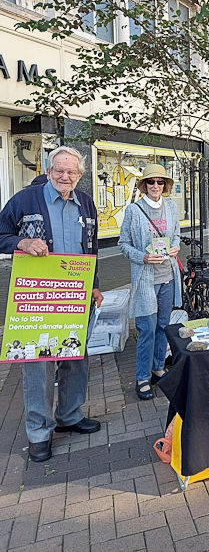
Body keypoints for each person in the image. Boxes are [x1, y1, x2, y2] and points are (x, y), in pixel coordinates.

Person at [0, 146, 103, 462]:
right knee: (38, 365)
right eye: (59, 170)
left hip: (76, 294)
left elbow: (92, 246)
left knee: (76, 356)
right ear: (48, 171)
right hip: (39, 298)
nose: (65, 176)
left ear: (80, 175)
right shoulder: (24, 201)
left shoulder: (85, 203)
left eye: (71, 171)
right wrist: (22, 242)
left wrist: (95, 285)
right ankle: (39, 433)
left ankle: (70, 416)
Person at [119, 164, 182, 400]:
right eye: (151, 182)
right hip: (146, 280)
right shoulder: (134, 211)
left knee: (163, 327)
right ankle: (142, 377)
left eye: (160, 182)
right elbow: (123, 244)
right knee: (146, 330)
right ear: (144, 185)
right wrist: (143, 257)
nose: (156, 186)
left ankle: (157, 369)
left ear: (165, 185)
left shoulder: (172, 207)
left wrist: (175, 246)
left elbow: (174, 234)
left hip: (167, 277)